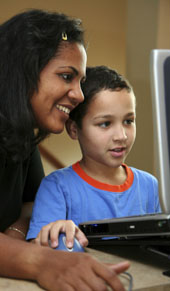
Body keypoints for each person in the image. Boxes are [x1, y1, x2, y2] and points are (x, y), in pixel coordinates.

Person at [0, 9, 130, 291]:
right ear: (22, 70)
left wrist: (16, 233)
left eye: (80, 81)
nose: (79, 95)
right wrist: (38, 260)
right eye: (66, 76)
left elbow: (31, 204)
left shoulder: (19, 132)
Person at [26, 65, 161, 247]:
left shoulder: (148, 185)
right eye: (105, 124)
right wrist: (54, 234)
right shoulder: (57, 187)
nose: (121, 136)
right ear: (74, 129)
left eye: (128, 121)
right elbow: (37, 249)